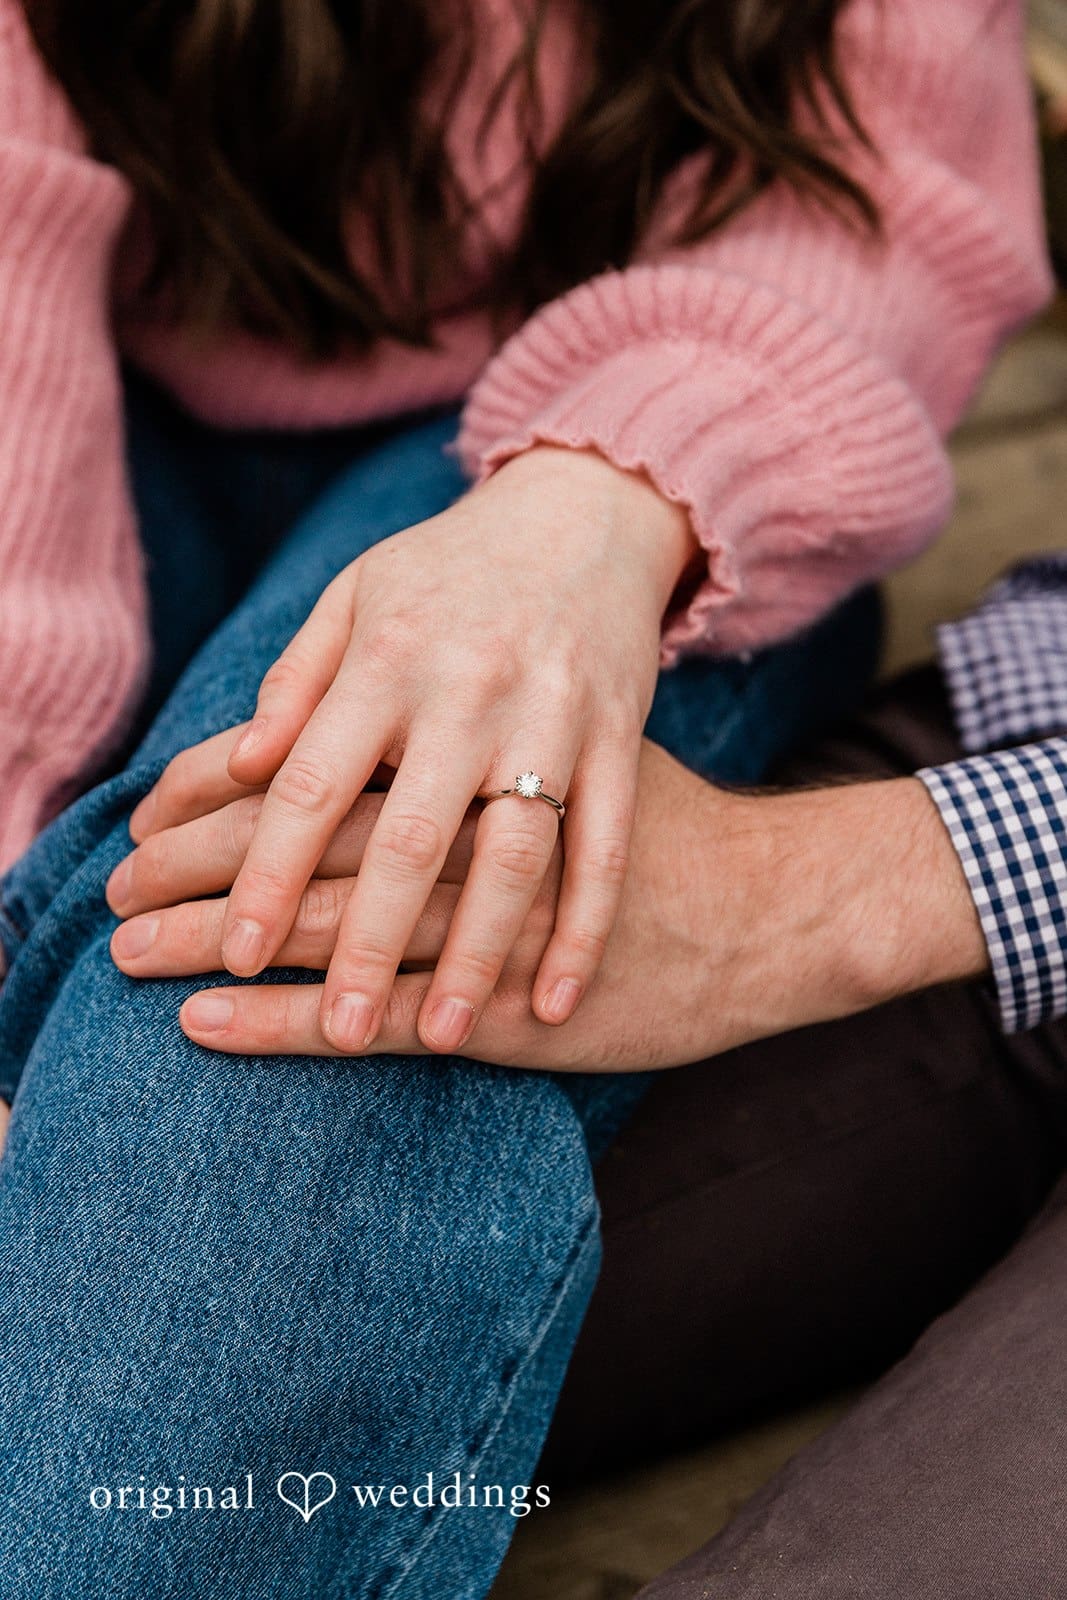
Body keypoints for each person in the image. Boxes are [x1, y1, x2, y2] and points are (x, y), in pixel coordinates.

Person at [0, 1, 1050, 1596]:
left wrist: (603, 501)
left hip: (685, 435)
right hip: (84, 379)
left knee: (299, 983)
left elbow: (882, 189)